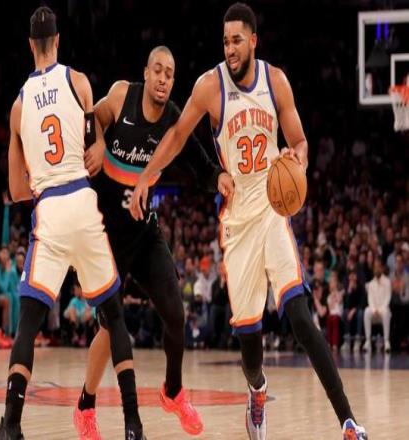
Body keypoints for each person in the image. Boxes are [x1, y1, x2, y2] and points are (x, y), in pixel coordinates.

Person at [130, 3, 367, 439]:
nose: (230, 48)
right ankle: (257, 390)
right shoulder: (210, 86)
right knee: (250, 347)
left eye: (237, 40)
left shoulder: (276, 82)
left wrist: (297, 158)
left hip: (273, 213)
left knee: (301, 317)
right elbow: (178, 135)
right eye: (225, 41)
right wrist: (146, 176)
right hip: (237, 225)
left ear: (254, 40)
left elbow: (300, 141)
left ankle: (349, 422)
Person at [0, 7, 145, 440]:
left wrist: (41, 175)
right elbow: (95, 153)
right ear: (57, 40)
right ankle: (133, 424)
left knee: (28, 324)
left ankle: (11, 426)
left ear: (30, 45)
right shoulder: (79, 82)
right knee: (113, 316)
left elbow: (16, 190)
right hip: (82, 198)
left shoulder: (18, 107)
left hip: (49, 208)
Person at [76, 45, 225, 438]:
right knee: (109, 328)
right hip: (106, 234)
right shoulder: (122, 95)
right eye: (157, 70)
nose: (162, 78)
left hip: (144, 231)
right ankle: (86, 405)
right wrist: (98, 141)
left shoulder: (174, 119)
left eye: (169, 74)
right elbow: (91, 119)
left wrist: (222, 180)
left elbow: (202, 168)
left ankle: (173, 392)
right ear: (146, 72)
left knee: (176, 315)